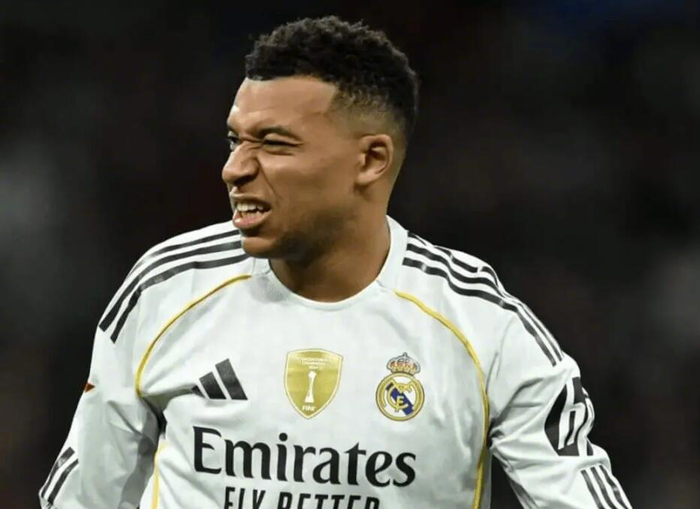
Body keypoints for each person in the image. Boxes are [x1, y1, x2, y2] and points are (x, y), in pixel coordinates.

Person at [39, 16, 632, 509]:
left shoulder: (483, 328)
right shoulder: (168, 288)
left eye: (273, 143)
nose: (234, 169)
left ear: (371, 160)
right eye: (235, 140)